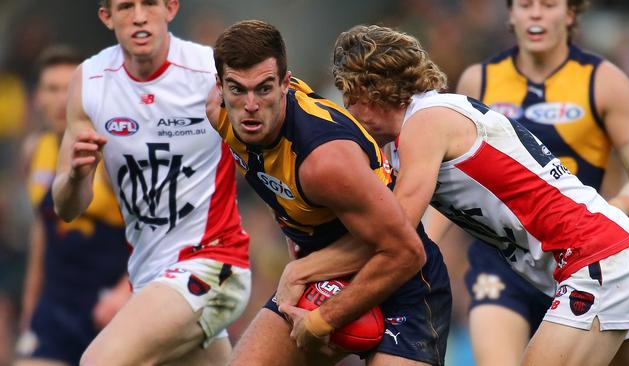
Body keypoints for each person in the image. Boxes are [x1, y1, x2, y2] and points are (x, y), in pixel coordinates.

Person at [323, 24, 629, 365]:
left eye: (350, 98)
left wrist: (320, 285)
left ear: (373, 90)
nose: (350, 112)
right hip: (609, 255)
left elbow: (396, 228)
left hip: (596, 258)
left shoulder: (424, 123)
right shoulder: (415, 132)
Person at [207, 20, 452, 366]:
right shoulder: (216, 114)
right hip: (323, 272)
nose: (250, 105)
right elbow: (275, 183)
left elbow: (406, 253)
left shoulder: (325, 160)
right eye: (237, 89)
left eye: (263, 89)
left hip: (401, 283)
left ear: (285, 84)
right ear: (220, 86)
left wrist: (323, 319)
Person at [448, 1, 629, 364]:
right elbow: (452, 182)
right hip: (502, 263)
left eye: (548, 4)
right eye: (525, 5)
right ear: (511, 15)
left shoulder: (603, 80)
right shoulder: (478, 80)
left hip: (585, 261)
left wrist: (614, 210)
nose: (535, 14)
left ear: (571, 14)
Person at [51, 1, 251, 365]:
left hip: (212, 262)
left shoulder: (210, 70)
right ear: (106, 17)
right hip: (149, 277)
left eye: (150, 4)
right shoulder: (91, 80)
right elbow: (66, 207)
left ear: (171, 8)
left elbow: (274, 131)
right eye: (126, 6)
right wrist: (78, 174)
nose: (139, 16)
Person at [13, 45, 130, 366]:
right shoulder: (34, 149)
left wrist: (126, 290)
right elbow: (43, 228)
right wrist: (30, 304)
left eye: (70, 89)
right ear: (37, 96)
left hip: (108, 311)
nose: (62, 99)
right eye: (52, 89)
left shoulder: (110, 154)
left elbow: (149, 230)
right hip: (55, 309)